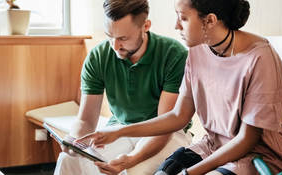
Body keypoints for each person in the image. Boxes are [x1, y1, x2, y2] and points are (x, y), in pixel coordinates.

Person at [77, 0, 282, 174]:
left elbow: (247, 140)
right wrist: (118, 132)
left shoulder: (260, 58)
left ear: (209, 20)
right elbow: (179, 116)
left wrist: (190, 173)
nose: (176, 25)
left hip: (258, 158)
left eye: (183, 18)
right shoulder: (198, 51)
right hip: (212, 147)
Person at [52, 0, 192, 174]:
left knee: (133, 170)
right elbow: (86, 120)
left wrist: (131, 159)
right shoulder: (98, 56)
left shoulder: (174, 55)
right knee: (69, 160)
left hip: (167, 133)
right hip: (118, 129)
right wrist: (74, 141)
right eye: (109, 36)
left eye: (123, 38)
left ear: (146, 26)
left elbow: (164, 126)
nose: (114, 46)